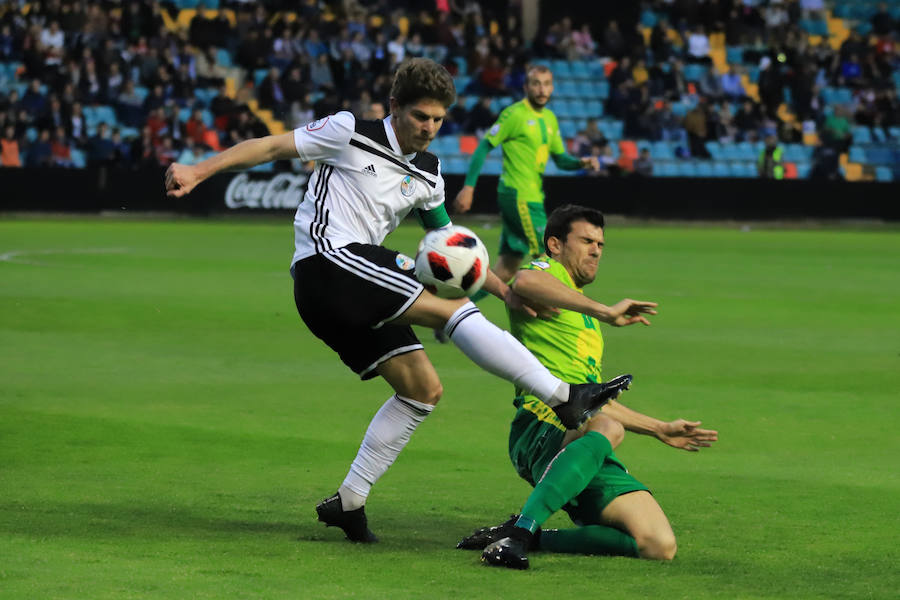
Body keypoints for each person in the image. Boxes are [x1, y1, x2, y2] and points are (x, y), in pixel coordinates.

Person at [163, 58, 631, 544]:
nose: (429, 128)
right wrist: (199, 170)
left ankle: (349, 501)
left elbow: (455, 248)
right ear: (394, 107)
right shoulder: (348, 131)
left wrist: (507, 291)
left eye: (438, 120)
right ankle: (564, 396)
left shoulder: (429, 174)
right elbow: (270, 146)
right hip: (327, 263)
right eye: (420, 116)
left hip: (353, 291)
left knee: (422, 389)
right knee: (452, 310)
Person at [456, 205, 718, 569]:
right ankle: (517, 538)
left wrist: (659, 428)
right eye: (586, 241)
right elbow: (523, 282)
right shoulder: (547, 280)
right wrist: (604, 311)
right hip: (540, 424)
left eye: (600, 244)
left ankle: (531, 534)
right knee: (608, 427)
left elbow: (591, 401)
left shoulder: (584, 319)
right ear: (555, 245)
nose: (596, 250)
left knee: (658, 544)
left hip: (581, 437)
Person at [454, 64, 600, 293]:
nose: (542, 89)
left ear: (552, 88)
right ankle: (559, 310)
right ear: (526, 87)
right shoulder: (514, 114)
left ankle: (454, 306)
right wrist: (469, 187)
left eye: (546, 84)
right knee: (551, 257)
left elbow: (560, 159)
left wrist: (580, 163)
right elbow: (483, 147)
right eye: (536, 83)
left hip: (530, 195)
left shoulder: (550, 118)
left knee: (506, 269)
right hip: (519, 195)